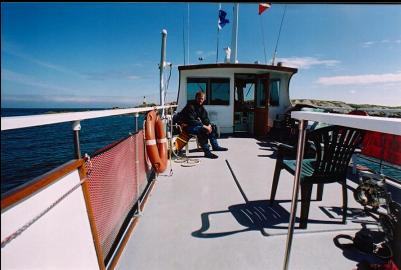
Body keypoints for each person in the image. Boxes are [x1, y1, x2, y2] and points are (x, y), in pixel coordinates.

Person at [178, 90, 228, 159]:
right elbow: (191, 121)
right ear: (196, 98)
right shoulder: (190, 106)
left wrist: (209, 125)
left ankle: (215, 146)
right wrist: (204, 126)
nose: (200, 100)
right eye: (199, 98)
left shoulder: (201, 107)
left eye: (202, 99)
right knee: (202, 130)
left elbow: (205, 118)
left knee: (212, 127)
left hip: (194, 125)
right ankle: (207, 152)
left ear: (204, 99)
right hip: (186, 127)